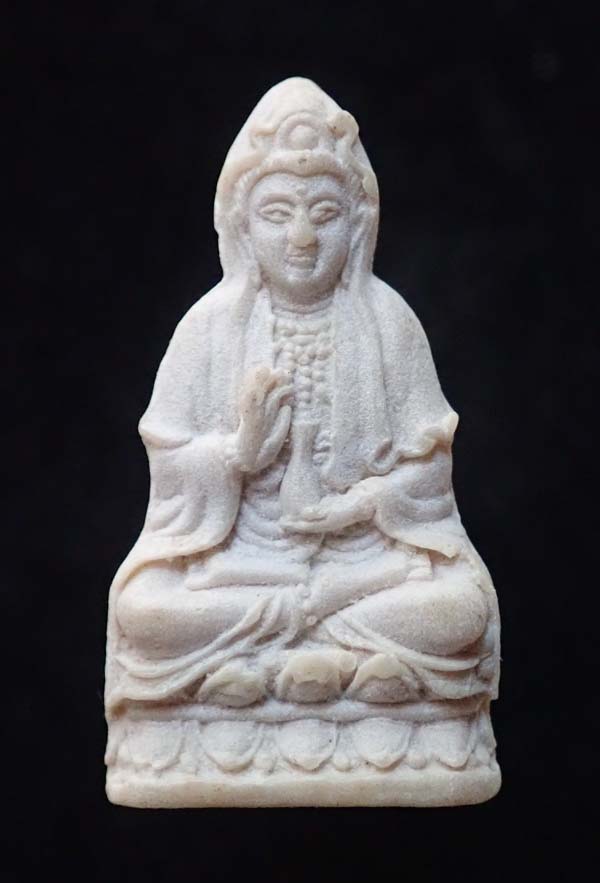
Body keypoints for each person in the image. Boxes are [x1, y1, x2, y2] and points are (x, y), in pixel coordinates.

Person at [105, 78, 499, 715]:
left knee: (458, 611)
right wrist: (235, 455)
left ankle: (266, 665)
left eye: (324, 214)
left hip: (361, 559)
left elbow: (429, 475)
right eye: (277, 214)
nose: (303, 238)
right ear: (241, 225)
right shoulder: (208, 329)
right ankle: (337, 655)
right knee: (144, 614)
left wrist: (359, 506)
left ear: (358, 225)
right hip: (244, 563)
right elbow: (170, 469)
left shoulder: (389, 323)